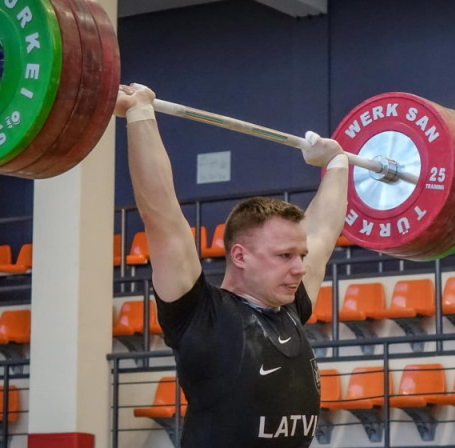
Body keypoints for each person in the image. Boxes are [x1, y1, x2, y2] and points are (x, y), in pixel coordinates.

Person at [114, 83, 349, 448]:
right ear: (240, 256)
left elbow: (324, 229)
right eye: (285, 256)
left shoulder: (289, 308)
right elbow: (161, 213)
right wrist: (140, 112)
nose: (300, 268)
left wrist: (336, 162)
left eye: (300, 256)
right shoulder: (200, 316)